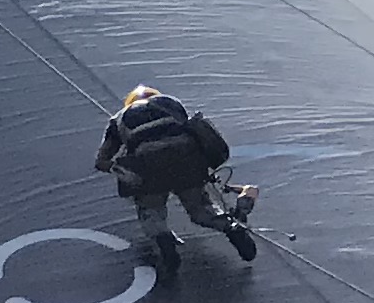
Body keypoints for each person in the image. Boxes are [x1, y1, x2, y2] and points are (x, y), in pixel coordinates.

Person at [96, 84, 259, 261]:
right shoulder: (171, 103)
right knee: (200, 208)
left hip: (149, 164)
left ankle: (164, 241)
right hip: (187, 159)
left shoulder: (119, 118)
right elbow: (197, 130)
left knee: (151, 208)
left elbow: (101, 161)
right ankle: (231, 228)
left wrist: (120, 169)